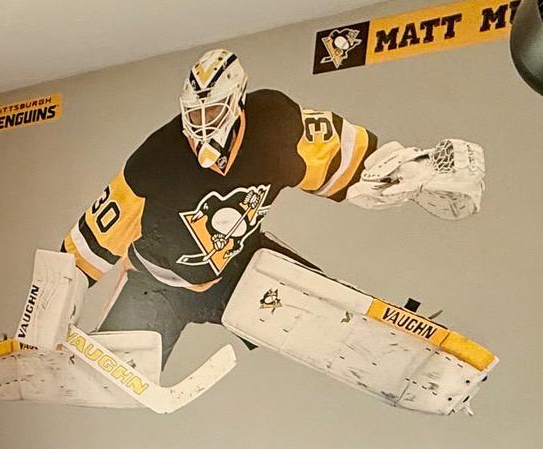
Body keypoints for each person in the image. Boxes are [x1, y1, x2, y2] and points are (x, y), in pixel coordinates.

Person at [61, 47, 485, 359]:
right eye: (194, 114)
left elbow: (346, 158)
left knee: (330, 313)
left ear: (237, 103)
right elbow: (91, 241)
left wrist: (410, 171)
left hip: (241, 265)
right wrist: (51, 316)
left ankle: (396, 352)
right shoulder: (155, 160)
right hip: (157, 284)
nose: (201, 126)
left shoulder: (275, 123)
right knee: (117, 373)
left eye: (211, 113)